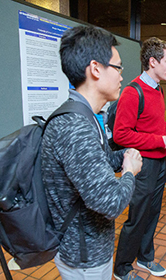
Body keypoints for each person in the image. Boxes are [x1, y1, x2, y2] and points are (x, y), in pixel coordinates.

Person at [41, 25, 142, 279]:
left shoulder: (86, 115)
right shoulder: (75, 127)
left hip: (89, 247)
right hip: (84, 255)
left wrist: (123, 157)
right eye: (118, 68)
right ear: (96, 69)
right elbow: (111, 203)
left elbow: (99, 162)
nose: (122, 76)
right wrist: (130, 171)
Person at [113, 37, 166, 280]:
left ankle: (145, 258)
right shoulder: (132, 92)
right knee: (137, 217)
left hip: (159, 164)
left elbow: (151, 123)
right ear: (153, 62)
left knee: (152, 213)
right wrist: (158, 140)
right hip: (142, 166)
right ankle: (122, 268)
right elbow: (121, 134)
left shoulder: (158, 88)